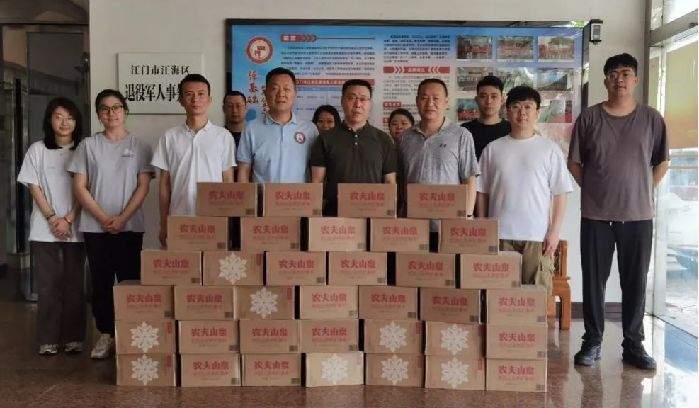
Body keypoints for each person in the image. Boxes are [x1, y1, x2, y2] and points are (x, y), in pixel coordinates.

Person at [568, 53, 669, 370]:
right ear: (605, 81)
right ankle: (592, 341)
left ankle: (634, 345)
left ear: (635, 79)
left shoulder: (652, 118)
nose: (619, 79)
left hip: (638, 216)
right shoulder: (589, 118)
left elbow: (662, 162)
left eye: (625, 73)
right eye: (613, 74)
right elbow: (574, 163)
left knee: (635, 281)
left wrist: (642, 190)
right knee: (593, 281)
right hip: (595, 216)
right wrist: (595, 191)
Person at [68, 89, 154, 359]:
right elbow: (79, 187)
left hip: (130, 227)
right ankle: (105, 334)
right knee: (102, 282)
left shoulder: (140, 146)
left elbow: (143, 187)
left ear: (125, 111)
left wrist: (122, 218)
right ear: (98, 115)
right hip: (96, 228)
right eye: (105, 109)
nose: (111, 113)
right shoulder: (88, 146)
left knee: (131, 281)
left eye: (116, 107)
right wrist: (104, 218)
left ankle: (132, 334)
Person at [476, 85, 572, 296]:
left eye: (528, 107)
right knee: (499, 299)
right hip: (499, 236)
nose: (522, 113)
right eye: (516, 107)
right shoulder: (493, 149)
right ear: (507, 111)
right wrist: (484, 228)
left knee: (535, 299)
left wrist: (554, 232)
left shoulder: (550, 149)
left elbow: (560, 193)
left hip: (537, 237)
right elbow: (481, 191)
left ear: (537, 112)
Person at [17, 97, 86, 356]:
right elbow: (33, 187)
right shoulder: (37, 149)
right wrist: (52, 218)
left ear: (76, 122)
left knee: (74, 285)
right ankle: (48, 339)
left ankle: (74, 337)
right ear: (49, 120)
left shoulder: (84, 150)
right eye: (59, 117)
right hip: (44, 228)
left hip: (76, 227)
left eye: (70, 117)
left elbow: (87, 189)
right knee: (47, 286)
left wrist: (68, 219)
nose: (64, 122)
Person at [152, 74, 236, 247]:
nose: (195, 99)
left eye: (201, 94)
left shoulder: (223, 136)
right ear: (181, 100)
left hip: (214, 219)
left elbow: (228, 180)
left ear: (209, 99)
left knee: (213, 263)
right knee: (182, 264)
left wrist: (228, 220)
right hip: (179, 217)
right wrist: (164, 223)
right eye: (189, 94)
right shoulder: (169, 137)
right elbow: (164, 184)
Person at [398, 78, 479, 248]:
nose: (430, 103)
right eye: (424, 98)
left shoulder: (461, 135)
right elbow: (401, 179)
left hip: (449, 225)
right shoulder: (405, 137)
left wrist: (468, 216)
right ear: (417, 101)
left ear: (446, 102)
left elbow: (469, 178)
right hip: (412, 226)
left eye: (436, 98)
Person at [310, 79, 397, 216]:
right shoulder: (325, 139)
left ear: (370, 103)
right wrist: (315, 216)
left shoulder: (383, 139)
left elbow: (390, 182)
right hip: (334, 217)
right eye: (351, 98)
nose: (357, 104)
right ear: (342, 101)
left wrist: (389, 216)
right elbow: (317, 182)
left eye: (363, 99)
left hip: (373, 216)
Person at [237, 67, 318, 183]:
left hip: (299, 194)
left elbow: (316, 172)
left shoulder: (309, 129)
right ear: (265, 93)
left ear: (295, 93)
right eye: (275, 89)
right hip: (262, 194)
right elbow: (243, 171)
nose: (281, 94)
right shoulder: (251, 128)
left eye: (287, 89)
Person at [462, 75, 511, 160]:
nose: (488, 101)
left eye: (494, 96)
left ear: (502, 100)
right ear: (476, 100)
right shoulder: (464, 130)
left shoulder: (511, 129)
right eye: (483, 96)